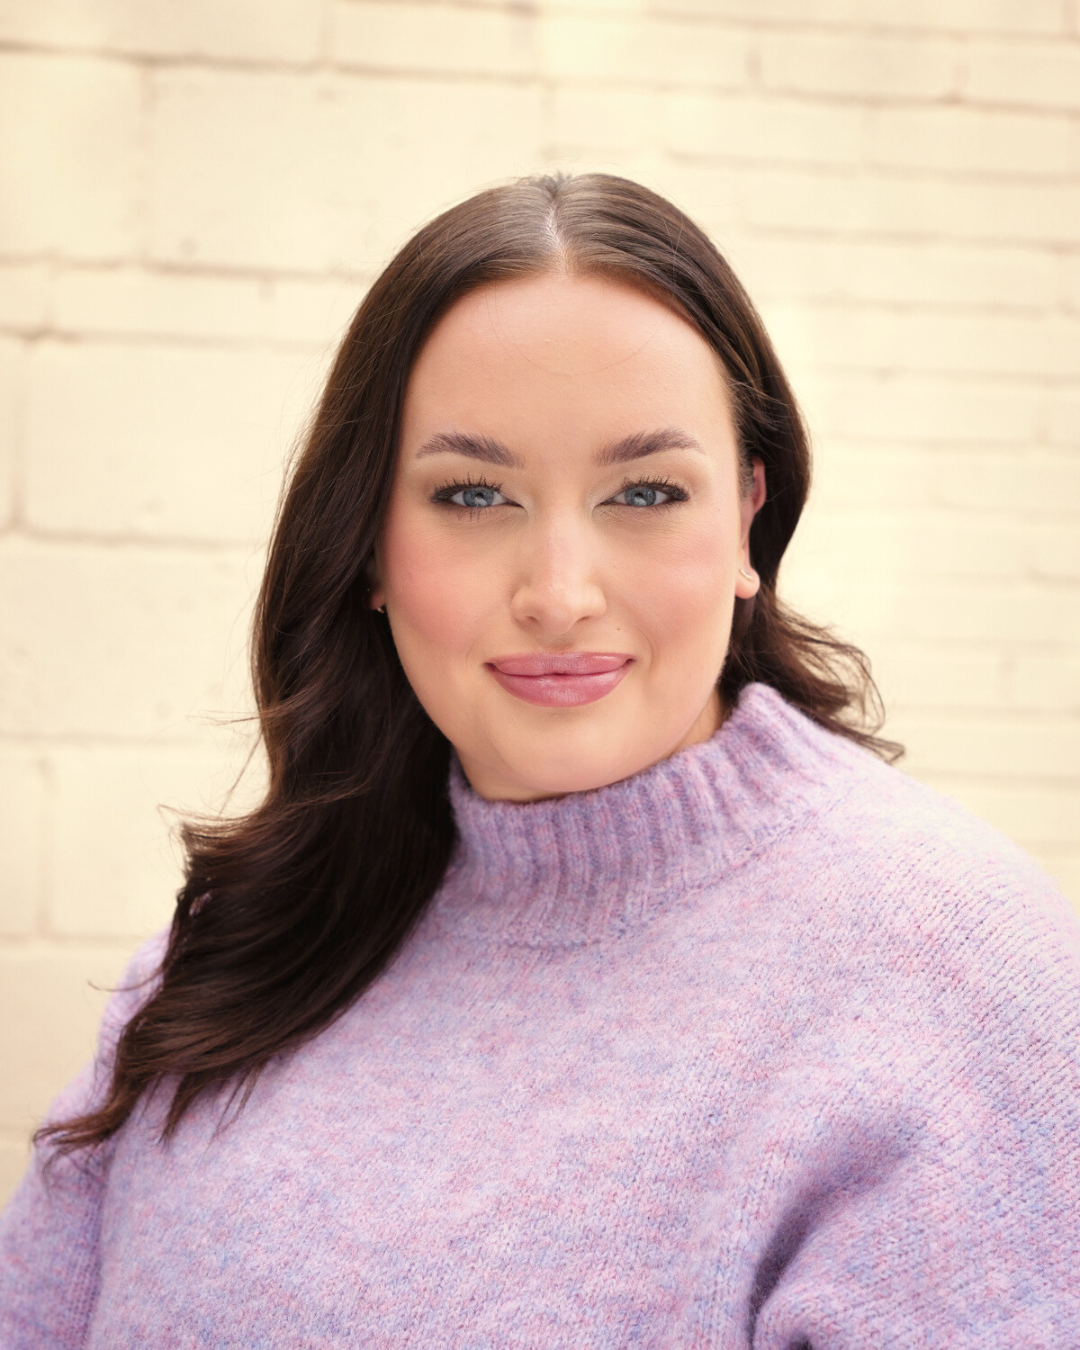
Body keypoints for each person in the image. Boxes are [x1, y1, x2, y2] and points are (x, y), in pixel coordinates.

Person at [1, 173, 1078, 1348]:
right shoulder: (244, 942)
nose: (559, 595)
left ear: (749, 522)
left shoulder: (963, 980)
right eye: (472, 494)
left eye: (647, 492)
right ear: (368, 540)